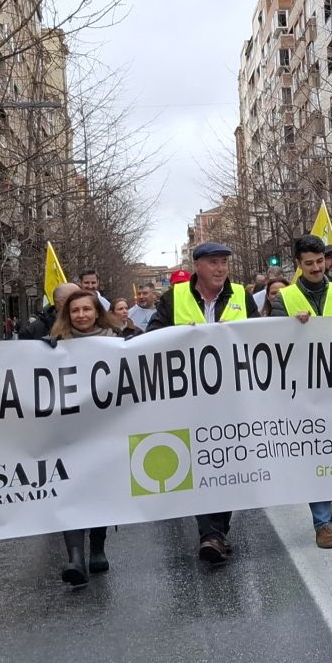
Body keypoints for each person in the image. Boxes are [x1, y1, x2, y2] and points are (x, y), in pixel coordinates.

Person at [146, 241, 251, 563]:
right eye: (213, 263)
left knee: (227, 463)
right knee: (201, 463)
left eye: (224, 262)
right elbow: (151, 338)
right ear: (198, 266)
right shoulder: (172, 298)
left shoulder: (241, 297)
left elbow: (262, 337)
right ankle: (211, 534)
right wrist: (180, 336)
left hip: (232, 396)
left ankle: (217, 531)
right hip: (188, 399)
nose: (220, 269)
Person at [278, 235, 332, 549]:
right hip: (303, 391)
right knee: (316, 451)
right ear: (299, 265)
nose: (317, 268)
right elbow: (272, 343)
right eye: (309, 263)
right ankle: (323, 523)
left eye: (320, 261)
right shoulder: (285, 297)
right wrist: (289, 326)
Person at [47, 283, 123, 585]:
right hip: (69, 431)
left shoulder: (119, 341)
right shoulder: (53, 344)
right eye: (75, 310)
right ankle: (75, 557)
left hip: (106, 430)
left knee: (99, 489)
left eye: (86, 309)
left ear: (97, 312)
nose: (81, 314)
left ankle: (98, 548)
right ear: (67, 314)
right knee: (71, 490)